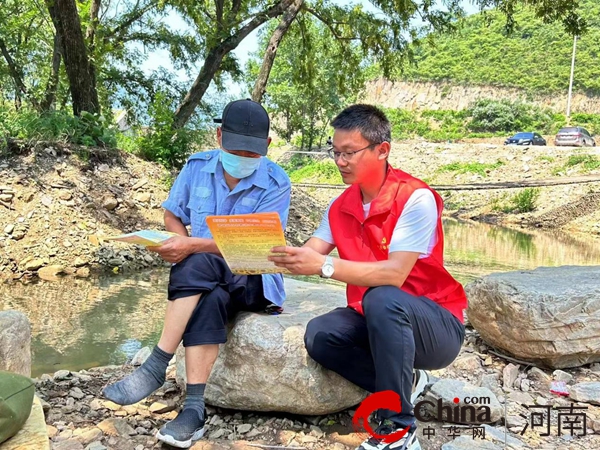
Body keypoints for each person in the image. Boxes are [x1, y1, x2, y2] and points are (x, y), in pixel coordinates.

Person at [268, 104, 467, 450]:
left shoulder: (414, 198)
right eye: (336, 152)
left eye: (349, 153)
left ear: (382, 150)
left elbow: (394, 273)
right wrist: (257, 251)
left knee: (382, 295)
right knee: (321, 335)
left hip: (435, 325)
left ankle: (397, 428)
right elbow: (309, 251)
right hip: (378, 318)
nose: (340, 161)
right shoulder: (340, 206)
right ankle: (409, 382)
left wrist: (322, 267)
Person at [102, 99, 291, 449]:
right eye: (235, 150)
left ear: (266, 147)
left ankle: (156, 363)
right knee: (210, 294)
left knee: (199, 261)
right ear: (218, 136)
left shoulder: (278, 181)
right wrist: (177, 238)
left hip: (253, 276)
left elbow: (256, 244)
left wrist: (189, 247)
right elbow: (173, 214)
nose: (244, 159)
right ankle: (193, 411)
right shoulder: (196, 167)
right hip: (207, 279)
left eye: (252, 154)